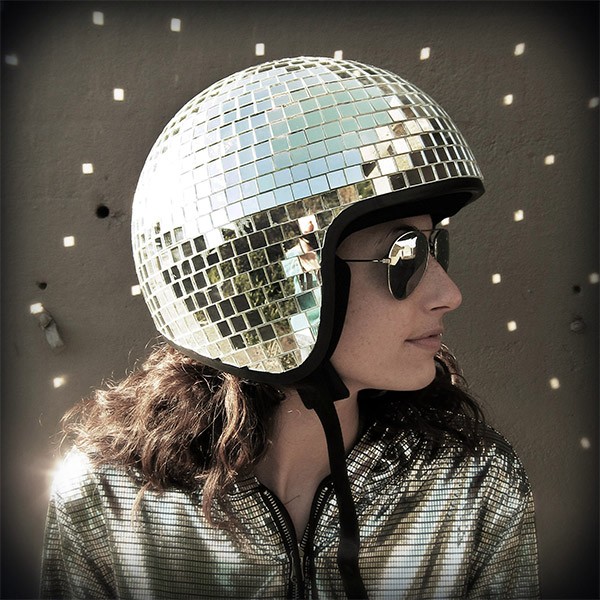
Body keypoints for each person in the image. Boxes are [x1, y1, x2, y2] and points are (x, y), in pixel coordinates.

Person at [41, 56, 539, 599]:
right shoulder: (112, 501)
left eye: (435, 247)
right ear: (295, 278)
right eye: (406, 256)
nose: (449, 294)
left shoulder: (470, 485)